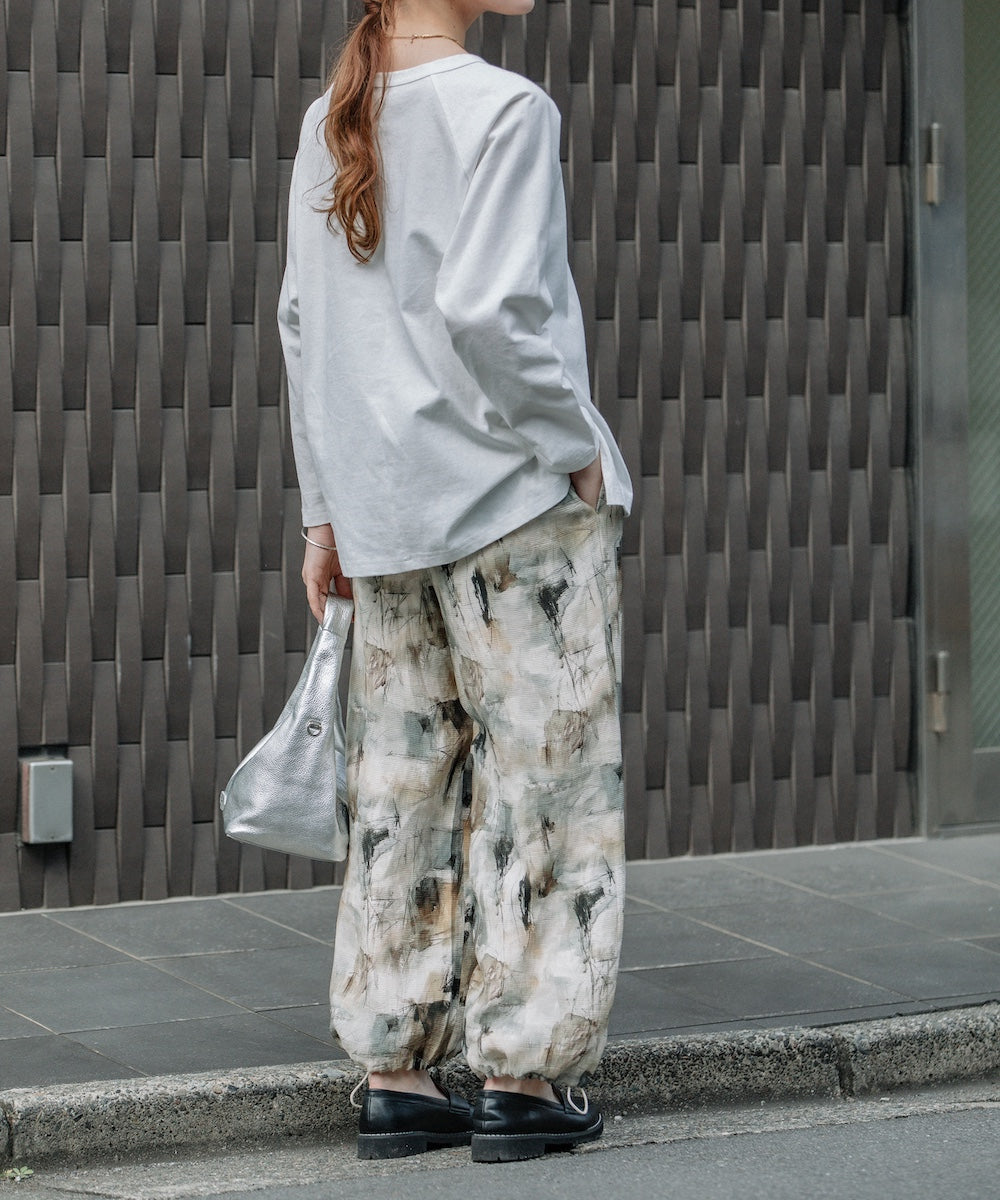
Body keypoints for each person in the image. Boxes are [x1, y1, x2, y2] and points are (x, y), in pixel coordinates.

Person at [277, 0, 633, 1165]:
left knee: (401, 781)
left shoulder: (331, 117)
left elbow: (303, 325)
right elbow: (492, 309)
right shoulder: (504, 108)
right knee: (545, 781)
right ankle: (523, 1075)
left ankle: (397, 1071)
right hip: (510, 502)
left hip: (384, 514)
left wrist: (323, 514)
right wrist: (574, 444)